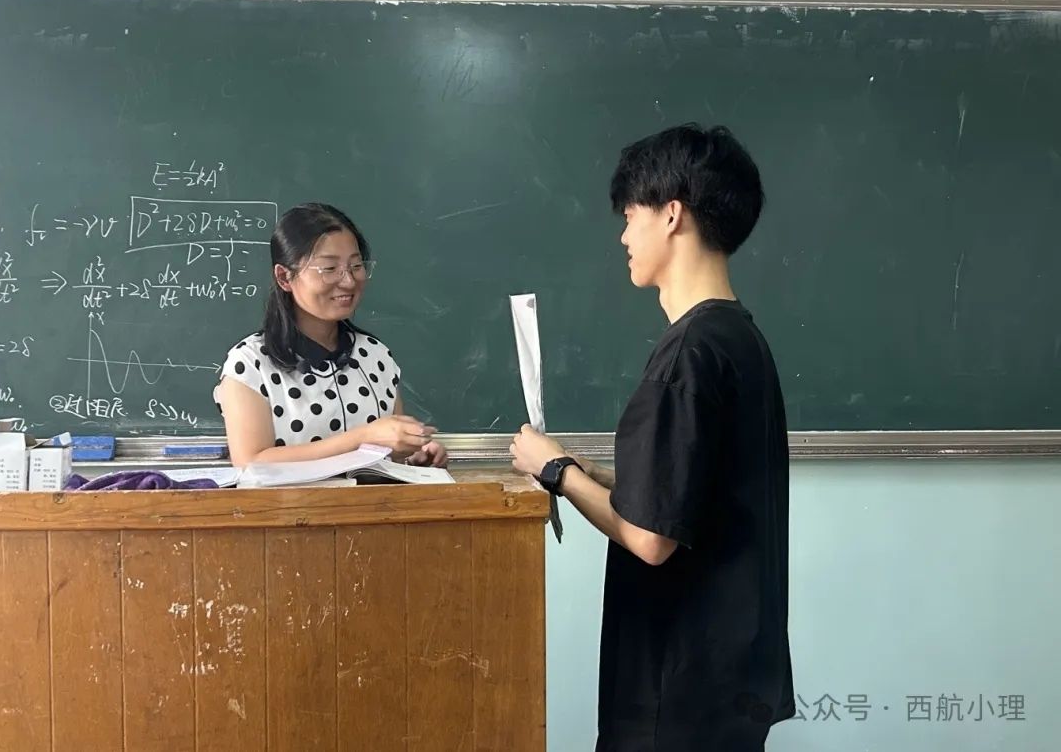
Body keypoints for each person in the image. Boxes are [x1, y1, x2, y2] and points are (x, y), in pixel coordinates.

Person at [510, 124, 793, 751]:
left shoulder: (687, 354)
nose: (623, 236)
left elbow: (650, 537)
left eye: (629, 216)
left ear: (671, 214)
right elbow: (698, 494)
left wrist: (555, 471)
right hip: (733, 673)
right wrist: (600, 476)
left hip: (680, 686)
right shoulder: (739, 338)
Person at [215, 202, 447, 468]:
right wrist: (363, 438)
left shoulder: (376, 356)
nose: (348, 281)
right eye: (329, 268)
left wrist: (412, 454)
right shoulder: (250, 364)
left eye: (356, 265)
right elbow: (251, 462)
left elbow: (387, 458)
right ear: (284, 277)